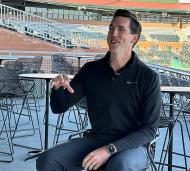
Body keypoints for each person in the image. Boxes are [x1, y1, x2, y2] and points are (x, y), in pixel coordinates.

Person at [36, 9, 161, 171]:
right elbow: (59, 107)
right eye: (111, 28)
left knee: (120, 165)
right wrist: (58, 90)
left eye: (120, 29)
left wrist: (109, 150)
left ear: (134, 38)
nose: (113, 33)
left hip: (133, 146)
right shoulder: (91, 70)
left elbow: (149, 130)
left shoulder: (148, 77)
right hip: (96, 139)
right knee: (47, 160)